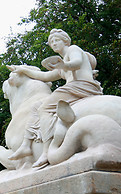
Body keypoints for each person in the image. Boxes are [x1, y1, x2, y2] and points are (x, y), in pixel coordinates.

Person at [8, 29, 103, 167]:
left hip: (82, 86)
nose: (54, 44)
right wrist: (22, 70)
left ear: (65, 41)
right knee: (36, 106)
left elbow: (76, 62)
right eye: (51, 42)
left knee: (44, 109)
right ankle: (26, 144)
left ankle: (46, 152)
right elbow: (45, 76)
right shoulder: (62, 63)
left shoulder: (73, 49)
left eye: (56, 40)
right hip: (73, 89)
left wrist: (63, 65)